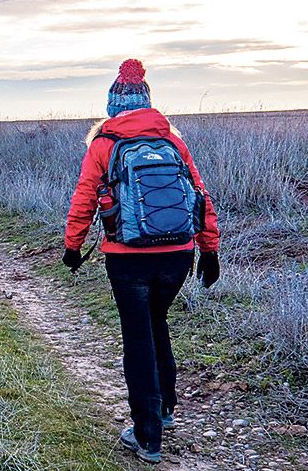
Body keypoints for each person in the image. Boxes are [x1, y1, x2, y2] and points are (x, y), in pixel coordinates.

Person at [62, 59, 220, 465]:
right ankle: (164, 410)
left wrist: (73, 246)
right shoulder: (174, 142)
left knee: (137, 337)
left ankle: (147, 436)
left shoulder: (104, 145)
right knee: (157, 322)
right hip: (178, 255)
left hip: (128, 257)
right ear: (149, 104)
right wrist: (209, 249)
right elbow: (200, 197)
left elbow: (83, 200)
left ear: (112, 108)